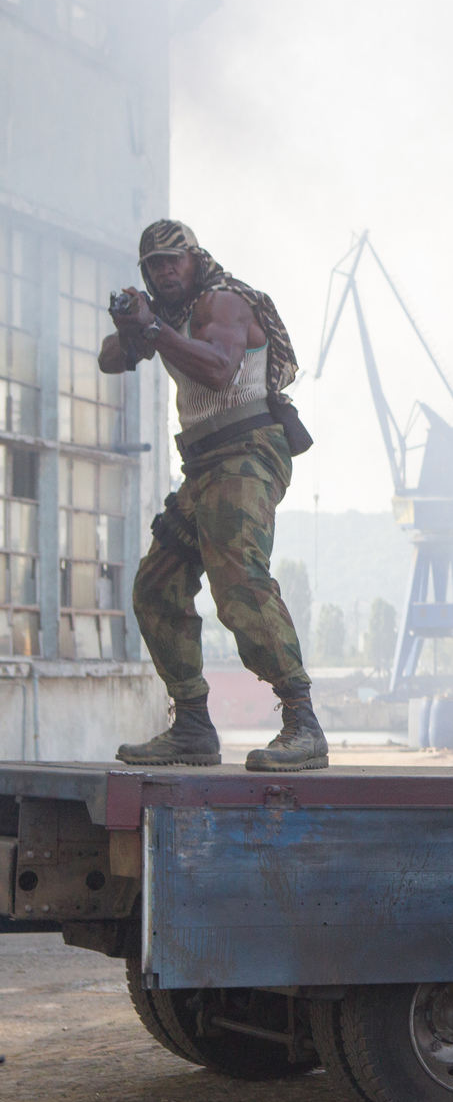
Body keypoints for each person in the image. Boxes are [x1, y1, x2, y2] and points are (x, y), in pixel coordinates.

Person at [101, 219, 326, 771]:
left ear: (196, 258)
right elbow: (111, 359)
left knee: (240, 586)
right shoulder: (170, 317)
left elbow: (222, 371)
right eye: (152, 265)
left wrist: (153, 331)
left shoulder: (222, 303)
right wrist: (132, 326)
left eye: (172, 260)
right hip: (203, 467)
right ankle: (194, 728)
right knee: (156, 586)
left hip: (247, 453)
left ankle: (303, 722)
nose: (163, 271)